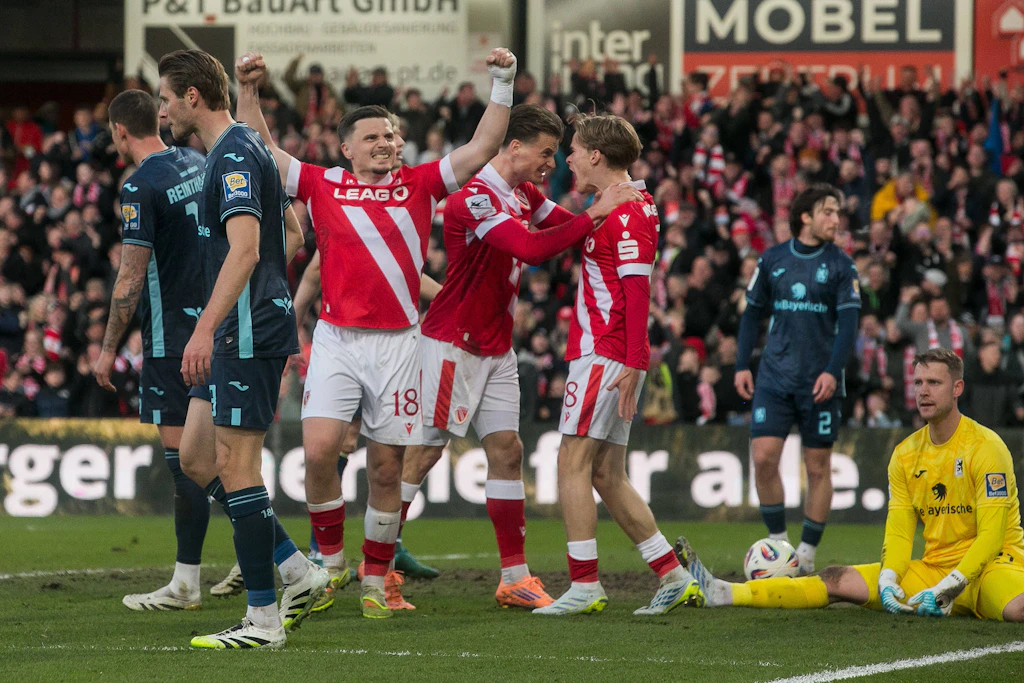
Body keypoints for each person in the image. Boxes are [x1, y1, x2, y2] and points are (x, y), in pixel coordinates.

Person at [234, 47, 517, 619]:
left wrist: (502, 81)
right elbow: (261, 148)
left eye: (391, 135)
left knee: (386, 466)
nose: (386, 142)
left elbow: (483, 147)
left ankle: (374, 578)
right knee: (318, 453)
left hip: (400, 344)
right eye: (373, 137)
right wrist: (248, 91)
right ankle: (332, 567)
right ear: (346, 148)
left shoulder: (420, 182)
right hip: (338, 338)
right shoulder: (320, 184)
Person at [404, 104, 643, 610]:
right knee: (425, 453)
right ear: (513, 146)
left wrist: (622, 213)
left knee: (508, 451)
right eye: (546, 153)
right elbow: (533, 249)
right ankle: (376, 563)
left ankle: (515, 576)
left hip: (495, 344)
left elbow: (569, 230)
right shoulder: (473, 198)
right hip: (454, 342)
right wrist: (599, 212)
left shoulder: (522, 193)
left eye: (559, 154)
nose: (552, 164)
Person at [157, 49, 328, 649]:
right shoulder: (248, 146)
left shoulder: (231, 155)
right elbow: (295, 232)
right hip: (245, 321)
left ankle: (263, 620)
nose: (163, 110)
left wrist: (206, 327)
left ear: (192, 97)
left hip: (244, 327)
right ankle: (295, 570)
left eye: (166, 98)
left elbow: (248, 249)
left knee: (236, 465)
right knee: (200, 459)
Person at [678, 349, 1024, 624]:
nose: (923, 391)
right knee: (835, 579)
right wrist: (889, 578)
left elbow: (992, 536)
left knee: (1017, 610)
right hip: (934, 571)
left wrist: (952, 584)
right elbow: (901, 531)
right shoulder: (905, 454)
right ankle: (723, 592)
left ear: (957, 388)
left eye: (934, 382)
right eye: (918, 382)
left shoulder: (986, 447)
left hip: (994, 567)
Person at [534, 113, 702, 617]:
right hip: (612, 352)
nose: (566, 159)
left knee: (572, 461)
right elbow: (566, 229)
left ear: (595, 156)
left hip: (605, 352)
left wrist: (633, 361)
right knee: (607, 473)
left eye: (574, 149)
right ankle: (673, 574)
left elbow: (637, 291)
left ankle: (585, 585)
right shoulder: (620, 206)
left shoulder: (627, 213)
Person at [91, 88, 211, 611]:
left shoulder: (139, 185)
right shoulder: (193, 159)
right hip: (212, 324)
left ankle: (285, 563)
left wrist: (106, 349)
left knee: (190, 466)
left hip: (169, 341)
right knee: (205, 462)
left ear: (120, 131)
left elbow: (130, 279)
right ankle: (190, 579)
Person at [734, 183, 861, 575]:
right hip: (774, 377)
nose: (835, 220)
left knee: (818, 467)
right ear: (805, 216)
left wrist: (831, 371)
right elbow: (752, 313)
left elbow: (848, 326)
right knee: (763, 458)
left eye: (837, 213)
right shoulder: (773, 259)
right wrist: (742, 364)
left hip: (819, 382)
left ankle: (805, 552)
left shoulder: (842, 265)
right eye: (828, 211)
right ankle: (777, 544)